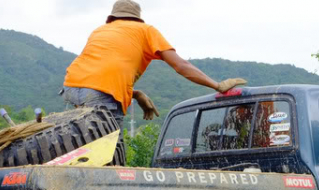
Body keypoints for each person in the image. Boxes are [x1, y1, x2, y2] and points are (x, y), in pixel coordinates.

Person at [62, 0, 246, 126]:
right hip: (99, 91)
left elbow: (96, 75)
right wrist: (217, 85)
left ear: (112, 18)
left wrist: (135, 94)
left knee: (85, 138)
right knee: (110, 147)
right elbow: (181, 66)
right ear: (137, 18)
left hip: (71, 86)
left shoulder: (100, 31)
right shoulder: (145, 30)